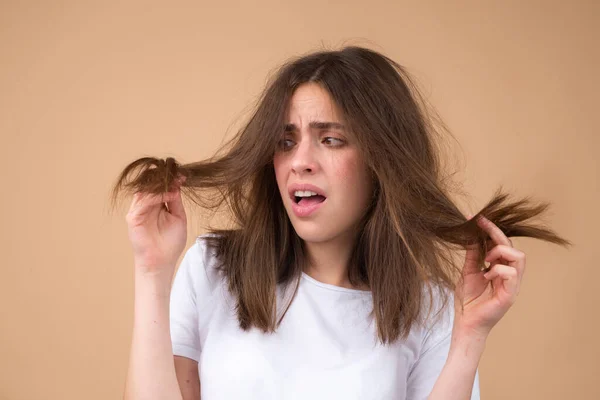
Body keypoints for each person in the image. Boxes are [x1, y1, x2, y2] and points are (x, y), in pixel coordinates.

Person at [111, 46, 570, 400]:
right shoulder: (213, 267)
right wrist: (152, 272)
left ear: (382, 161)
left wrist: (470, 337)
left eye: (330, 139)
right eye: (285, 142)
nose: (300, 162)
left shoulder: (429, 309)